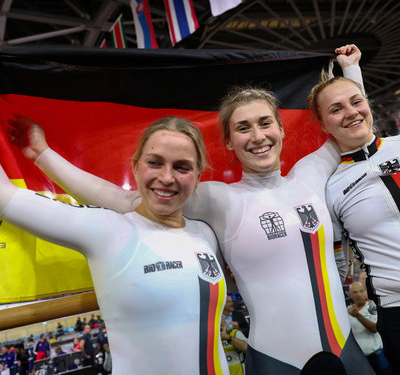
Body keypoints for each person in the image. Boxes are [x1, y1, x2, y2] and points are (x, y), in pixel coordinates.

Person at [7, 46, 371, 374]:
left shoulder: (309, 174)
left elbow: (354, 126)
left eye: (265, 123)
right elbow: (119, 199)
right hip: (277, 361)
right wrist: (42, 154)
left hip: (347, 351)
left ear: (281, 129)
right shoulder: (216, 198)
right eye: (243, 128)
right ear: (228, 141)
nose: (257, 136)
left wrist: (350, 69)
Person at [0, 117, 229, 374]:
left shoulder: (205, 234)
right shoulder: (106, 231)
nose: (167, 177)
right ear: (135, 167)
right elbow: (4, 196)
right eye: (154, 163)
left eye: (182, 167)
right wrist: (42, 154)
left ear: (197, 176)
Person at [307, 46, 400, 374]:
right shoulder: (329, 188)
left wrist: (351, 68)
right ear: (322, 124)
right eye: (336, 109)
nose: (350, 112)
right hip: (396, 310)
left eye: (356, 102)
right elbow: (338, 267)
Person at [347, 282, 390, 375]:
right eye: (355, 292)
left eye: (361, 291)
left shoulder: (372, 306)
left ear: (365, 292)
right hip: (359, 359)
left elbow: (375, 328)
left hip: (376, 356)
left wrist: (358, 316)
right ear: (350, 294)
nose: (358, 294)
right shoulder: (348, 311)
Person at [221, 295, 248, 375]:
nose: (232, 303)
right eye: (229, 302)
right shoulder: (216, 318)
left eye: (231, 301)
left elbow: (248, 330)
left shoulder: (238, 315)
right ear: (223, 304)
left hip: (239, 357)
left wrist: (238, 327)